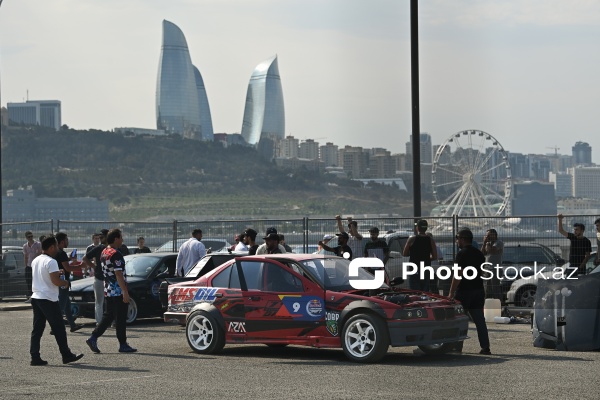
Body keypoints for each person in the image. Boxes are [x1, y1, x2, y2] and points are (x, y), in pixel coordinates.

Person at [29, 235, 84, 366]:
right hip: (48, 299)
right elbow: (55, 281)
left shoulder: (36, 260)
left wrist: (56, 274)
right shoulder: (51, 261)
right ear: (52, 247)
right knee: (59, 328)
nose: (57, 250)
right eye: (56, 246)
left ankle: (34, 356)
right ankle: (66, 355)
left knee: (37, 328)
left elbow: (44, 276)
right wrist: (64, 282)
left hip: (36, 297)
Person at [86, 229, 137, 354]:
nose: (122, 240)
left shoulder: (104, 251)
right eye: (121, 237)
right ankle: (123, 343)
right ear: (115, 239)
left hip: (108, 289)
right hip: (117, 290)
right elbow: (118, 273)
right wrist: (125, 291)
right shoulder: (115, 253)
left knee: (108, 316)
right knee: (120, 318)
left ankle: (94, 337)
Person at [449, 228, 491, 355]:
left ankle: (457, 347)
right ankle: (485, 347)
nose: (457, 241)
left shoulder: (461, 254)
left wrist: (451, 292)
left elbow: (458, 275)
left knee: (459, 319)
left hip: (464, 291)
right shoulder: (479, 254)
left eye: (457, 239)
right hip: (478, 290)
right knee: (480, 321)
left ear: (462, 239)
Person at [54, 232, 84, 332]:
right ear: (62, 242)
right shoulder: (61, 253)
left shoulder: (56, 252)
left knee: (67, 305)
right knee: (61, 306)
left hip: (59, 280)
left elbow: (63, 264)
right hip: (64, 282)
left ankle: (72, 325)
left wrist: (70, 259)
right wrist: (80, 266)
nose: (68, 242)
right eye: (66, 240)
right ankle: (55, 327)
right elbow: (67, 267)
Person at [82, 229, 108, 325]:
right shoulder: (99, 248)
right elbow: (85, 258)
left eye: (102, 237)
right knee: (99, 301)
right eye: (99, 237)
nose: (100, 239)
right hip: (99, 278)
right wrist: (94, 267)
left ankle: (110, 320)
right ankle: (99, 322)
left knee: (110, 301)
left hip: (109, 279)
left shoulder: (111, 248)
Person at [402, 219, 437, 292]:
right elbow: (434, 256)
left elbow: (405, 254)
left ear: (417, 228)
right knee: (425, 290)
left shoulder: (412, 239)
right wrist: (427, 258)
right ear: (426, 228)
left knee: (414, 291)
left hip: (414, 268)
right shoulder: (430, 240)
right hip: (426, 267)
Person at [481, 228, 504, 300]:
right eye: (487, 235)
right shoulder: (488, 243)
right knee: (486, 288)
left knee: (495, 288)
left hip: (495, 268)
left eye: (489, 235)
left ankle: (499, 303)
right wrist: (484, 243)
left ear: (494, 235)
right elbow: (482, 253)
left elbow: (492, 251)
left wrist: (486, 243)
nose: (488, 237)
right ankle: (487, 303)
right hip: (487, 268)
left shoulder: (499, 242)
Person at [23, 231, 42, 302]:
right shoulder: (25, 246)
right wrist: (25, 266)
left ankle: (36, 296)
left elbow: (40, 253)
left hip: (36, 265)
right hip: (29, 265)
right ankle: (30, 296)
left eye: (31, 236)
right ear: (26, 238)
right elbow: (25, 256)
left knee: (36, 281)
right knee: (29, 281)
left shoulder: (38, 244)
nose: (30, 238)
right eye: (29, 237)